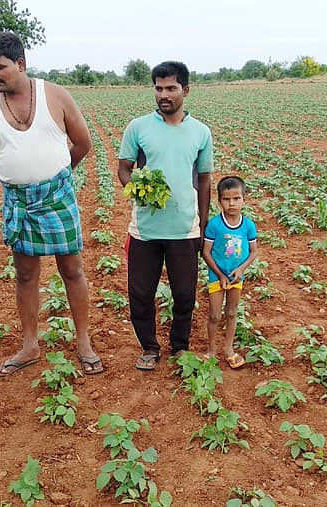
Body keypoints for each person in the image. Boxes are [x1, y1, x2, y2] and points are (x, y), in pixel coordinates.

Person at [0, 32, 102, 376]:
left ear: (20, 64)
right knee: (26, 275)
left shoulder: (54, 95)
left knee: (72, 269)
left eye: (0, 68)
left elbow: (83, 143)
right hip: (18, 201)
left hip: (58, 196)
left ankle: (84, 342)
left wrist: (57, 179)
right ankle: (30, 345)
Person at [118, 61, 214, 371]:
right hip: (145, 228)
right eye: (158, 88)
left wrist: (202, 223)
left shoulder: (200, 132)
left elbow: (204, 180)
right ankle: (148, 347)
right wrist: (139, 189)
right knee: (140, 293)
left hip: (184, 228)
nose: (164, 94)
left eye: (171, 88)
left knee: (184, 293)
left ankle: (179, 346)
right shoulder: (138, 127)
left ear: (185, 90)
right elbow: (124, 169)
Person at [202, 176, 258, 368]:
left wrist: (240, 269)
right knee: (215, 315)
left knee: (232, 312)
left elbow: (253, 252)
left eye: (236, 198)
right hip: (216, 277)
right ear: (219, 201)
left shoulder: (248, 225)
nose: (231, 203)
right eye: (226, 199)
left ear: (244, 199)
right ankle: (211, 350)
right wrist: (220, 274)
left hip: (236, 278)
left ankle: (228, 349)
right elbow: (206, 252)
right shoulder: (215, 225)